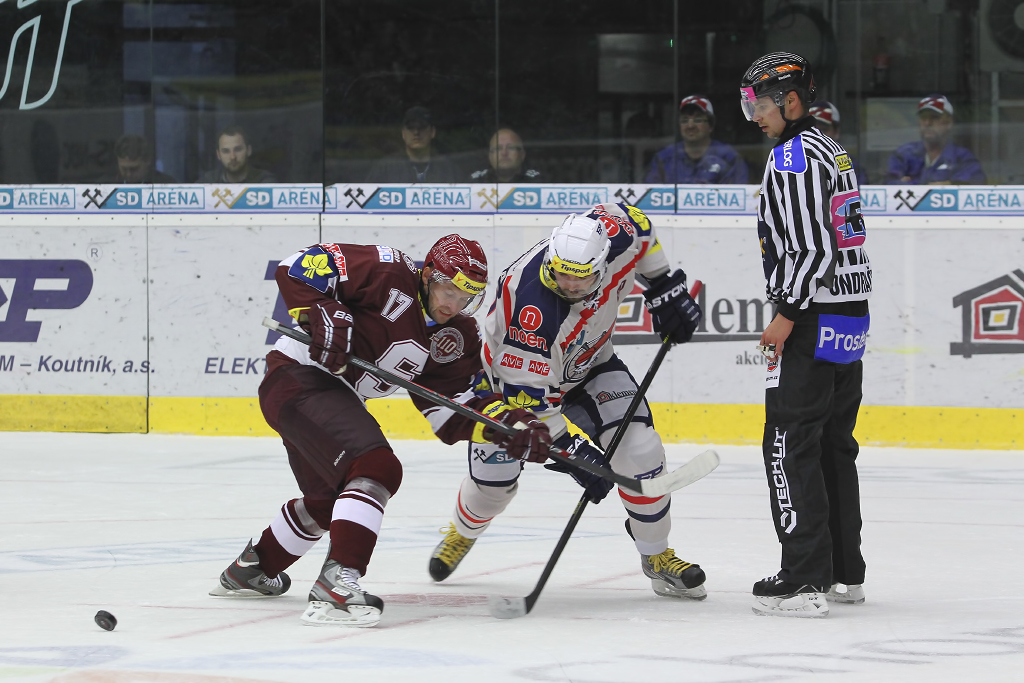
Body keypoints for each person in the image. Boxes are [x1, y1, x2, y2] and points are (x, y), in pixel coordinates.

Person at [209, 235, 551, 628]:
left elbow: (455, 406)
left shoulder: (455, 336)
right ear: (428, 275)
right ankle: (337, 584)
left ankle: (253, 568)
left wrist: (508, 426)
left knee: (328, 504)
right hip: (297, 377)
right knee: (377, 467)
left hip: (324, 395)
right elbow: (298, 266)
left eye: (466, 297)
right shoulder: (387, 269)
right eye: (449, 291)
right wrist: (324, 311)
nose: (453, 305)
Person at [427, 203, 710, 602]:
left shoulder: (616, 233)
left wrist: (664, 285)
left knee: (640, 452)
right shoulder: (531, 313)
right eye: (561, 273)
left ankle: (657, 554)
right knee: (491, 488)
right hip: (510, 393)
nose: (570, 284)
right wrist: (578, 457)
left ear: (602, 261)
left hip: (590, 365)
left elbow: (642, 228)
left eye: (581, 277)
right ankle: (464, 530)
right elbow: (532, 408)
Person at [740, 51, 872, 618]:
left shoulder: (791, 157)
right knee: (834, 445)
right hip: (849, 313)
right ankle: (844, 572)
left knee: (788, 442)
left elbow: (812, 247)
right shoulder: (830, 147)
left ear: (790, 101)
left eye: (760, 105)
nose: (754, 116)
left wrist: (787, 313)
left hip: (812, 313)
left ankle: (803, 579)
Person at [645, 94, 748, 184]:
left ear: (710, 126)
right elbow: (650, 195)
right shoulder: (664, 159)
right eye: (684, 120)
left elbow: (741, 196)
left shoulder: (729, 159)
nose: (690, 126)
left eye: (698, 120)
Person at [886, 94, 986, 185]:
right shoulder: (904, 154)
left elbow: (972, 185)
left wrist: (912, 184)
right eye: (923, 117)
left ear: (949, 123)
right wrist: (944, 184)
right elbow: (888, 186)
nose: (927, 123)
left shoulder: (962, 158)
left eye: (934, 117)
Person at [366, 106, 461, 183]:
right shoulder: (385, 167)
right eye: (411, 128)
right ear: (403, 133)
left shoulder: (448, 168)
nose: (416, 132)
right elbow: (367, 198)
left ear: (432, 132)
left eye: (422, 127)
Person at [808, 101, 869, 186]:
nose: (817, 136)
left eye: (824, 130)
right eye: (811, 130)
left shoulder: (849, 165)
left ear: (836, 132)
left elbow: (856, 191)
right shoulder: (790, 162)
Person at [198, 125, 277, 183]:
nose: (233, 157)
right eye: (226, 151)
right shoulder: (208, 182)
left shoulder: (264, 182)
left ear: (249, 150)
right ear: (218, 155)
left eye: (238, 149)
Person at [469, 127, 541, 183]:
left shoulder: (539, 182)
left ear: (522, 155)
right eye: (498, 148)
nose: (504, 153)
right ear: (490, 156)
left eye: (511, 148)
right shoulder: (475, 182)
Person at [105, 134, 176, 183]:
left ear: (147, 161)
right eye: (124, 169)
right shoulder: (104, 184)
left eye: (134, 169)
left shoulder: (166, 185)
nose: (129, 174)